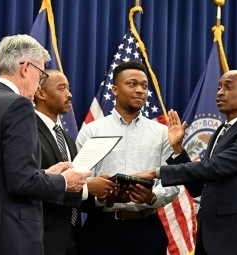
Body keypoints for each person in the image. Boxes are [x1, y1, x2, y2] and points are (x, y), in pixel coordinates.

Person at [0, 34, 91, 255]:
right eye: (40, 74)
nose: (39, 82)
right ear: (26, 67)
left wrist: (45, 173)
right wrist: (63, 182)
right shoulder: (18, 105)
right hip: (11, 237)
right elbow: (22, 182)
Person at [136, 70, 237, 255]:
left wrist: (157, 172)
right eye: (219, 87)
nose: (220, 92)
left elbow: (215, 167)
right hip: (210, 239)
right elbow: (198, 187)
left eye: (228, 87)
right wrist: (178, 149)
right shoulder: (219, 132)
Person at [76, 61, 180, 255]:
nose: (140, 90)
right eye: (132, 84)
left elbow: (174, 182)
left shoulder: (162, 133)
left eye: (144, 86)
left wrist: (152, 197)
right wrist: (102, 196)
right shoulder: (91, 131)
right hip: (101, 230)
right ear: (115, 89)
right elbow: (78, 181)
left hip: (147, 230)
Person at [34, 69, 116, 255]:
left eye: (69, 88)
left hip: (73, 240)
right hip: (42, 239)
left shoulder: (68, 140)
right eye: (62, 88)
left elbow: (71, 192)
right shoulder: (28, 131)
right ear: (41, 93)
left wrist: (99, 196)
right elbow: (31, 185)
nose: (69, 94)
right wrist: (88, 188)